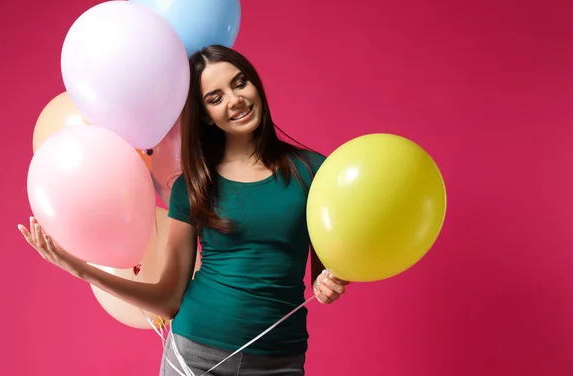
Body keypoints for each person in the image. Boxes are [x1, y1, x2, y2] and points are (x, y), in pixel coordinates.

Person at [18, 45, 348, 376]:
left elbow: (330, 268)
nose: (235, 100)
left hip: (280, 360)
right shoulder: (191, 187)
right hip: (197, 357)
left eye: (240, 82)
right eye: (215, 98)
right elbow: (168, 299)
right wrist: (80, 269)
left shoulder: (313, 171)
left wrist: (331, 282)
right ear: (204, 114)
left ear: (255, 84)